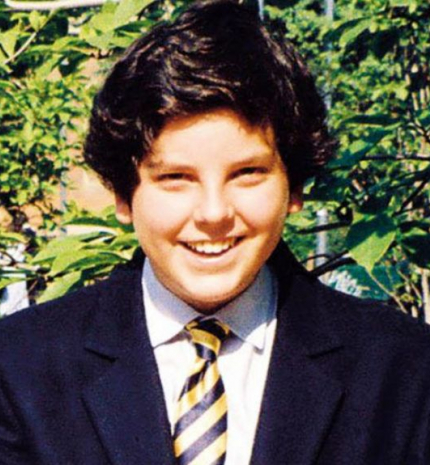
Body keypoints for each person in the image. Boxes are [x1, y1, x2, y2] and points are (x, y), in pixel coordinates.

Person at [1, 1, 430, 464]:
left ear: (294, 188)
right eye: (176, 178)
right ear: (124, 196)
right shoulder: (20, 368)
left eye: (247, 174)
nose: (213, 213)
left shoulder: (403, 370)